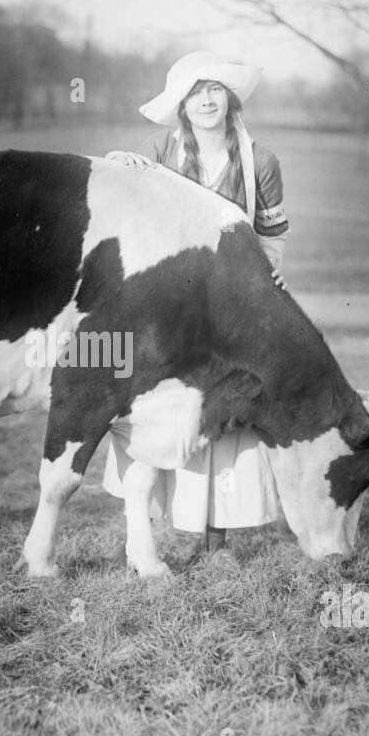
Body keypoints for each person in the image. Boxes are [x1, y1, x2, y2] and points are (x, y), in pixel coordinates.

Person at [103, 51, 290, 563]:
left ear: (229, 98)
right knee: (161, 405)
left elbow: (271, 234)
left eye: (215, 90)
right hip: (169, 301)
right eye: (195, 92)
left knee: (226, 411)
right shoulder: (162, 149)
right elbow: (119, 185)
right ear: (181, 105)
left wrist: (270, 268)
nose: (207, 100)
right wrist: (128, 164)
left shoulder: (262, 162)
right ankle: (145, 526)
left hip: (232, 302)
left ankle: (217, 539)